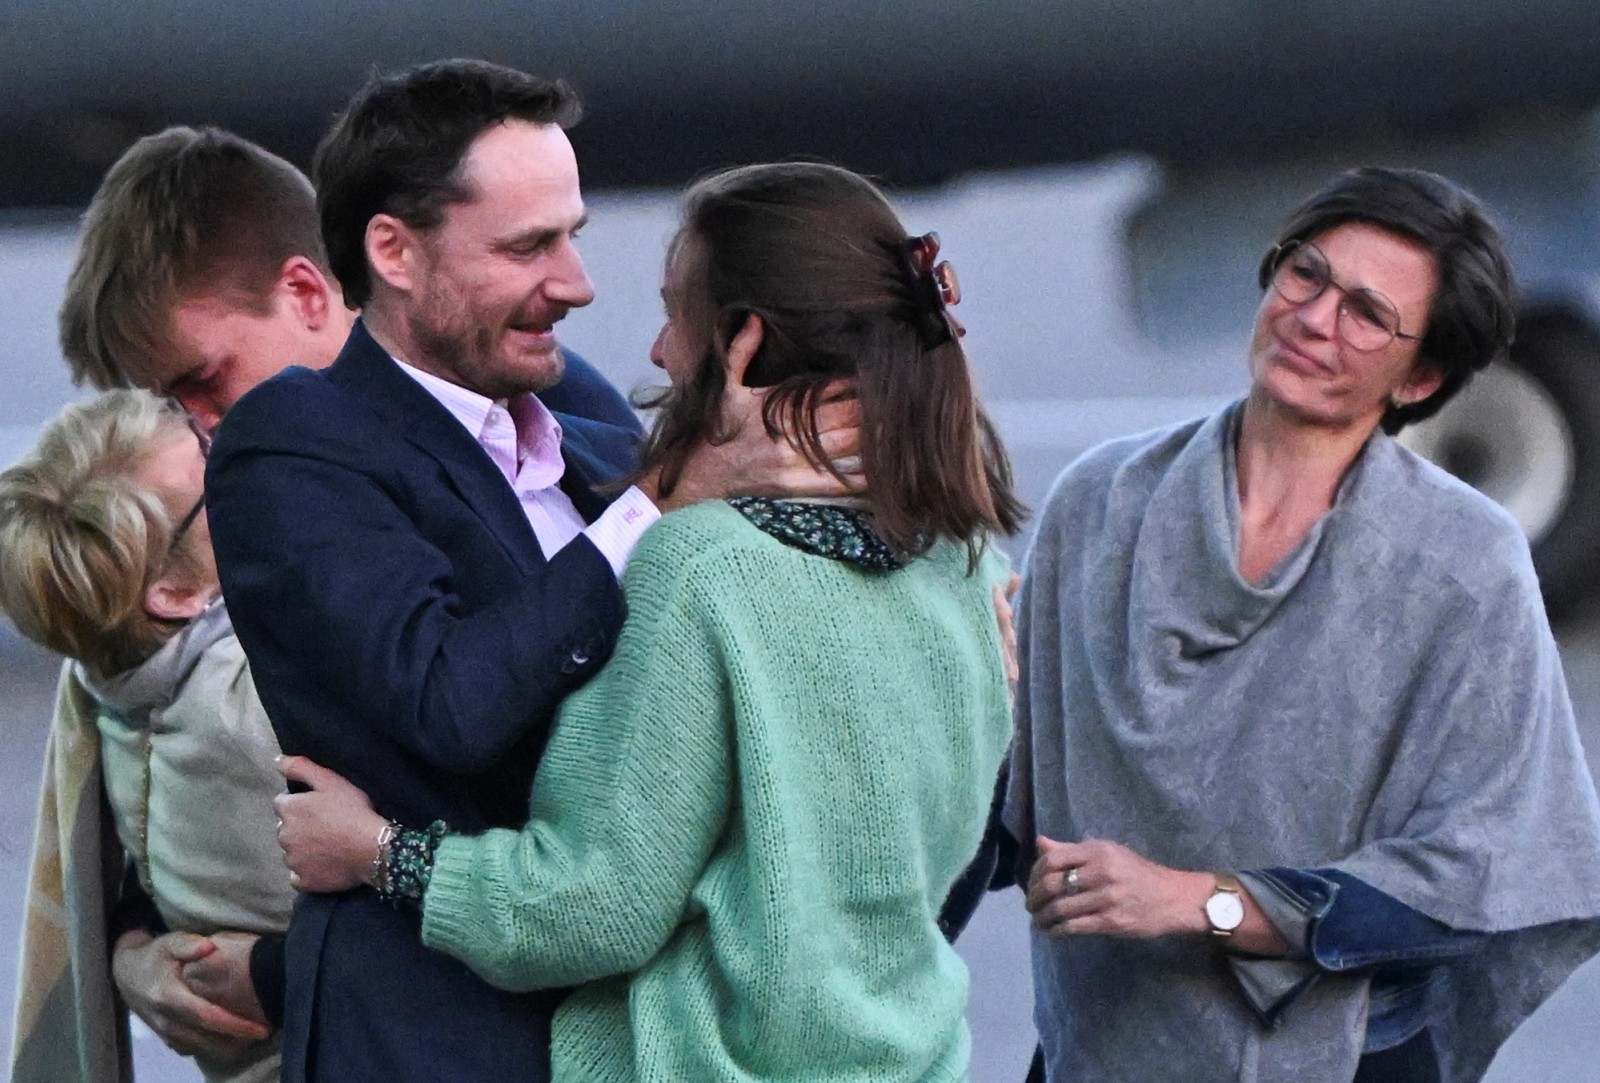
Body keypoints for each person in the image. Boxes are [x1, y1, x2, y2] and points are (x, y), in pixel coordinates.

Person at [274, 159, 1022, 1082]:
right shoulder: (967, 566)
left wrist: (378, 852)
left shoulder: (700, 568)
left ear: (744, 341)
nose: (663, 352)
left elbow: (590, 909)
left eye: (677, 313)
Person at [205, 62, 860, 1083]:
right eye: (527, 247)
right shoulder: (296, 443)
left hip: (653, 1040)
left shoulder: (598, 440)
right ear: (394, 251)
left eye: (572, 235)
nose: (576, 283)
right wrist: (661, 505)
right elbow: (449, 702)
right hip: (445, 1044)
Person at [40, 121, 638, 1061]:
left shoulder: (549, 419)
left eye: (205, 383)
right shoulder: (289, 511)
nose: (203, 430)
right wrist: (141, 941)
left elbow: (570, 824)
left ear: (308, 291)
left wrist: (274, 970)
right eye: (170, 409)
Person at [1007, 166, 1600, 1082]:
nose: (1315, 318)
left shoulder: (1462, 563)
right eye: (1307, 273)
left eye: (1367, 314)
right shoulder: (1100, 501)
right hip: (1096, 1047)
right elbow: (1003, 794)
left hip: (1347, 1057)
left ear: (1421, 378)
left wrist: (1198, 901)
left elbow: (1482, 876)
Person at [3, 390, 292, 1083]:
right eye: (212, 473)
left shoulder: (109, 698)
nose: (239, 462)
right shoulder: (258, 702)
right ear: (172, 593)